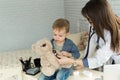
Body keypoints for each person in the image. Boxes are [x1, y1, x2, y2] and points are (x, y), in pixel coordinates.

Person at [57, 0, 120, 70]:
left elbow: (99, 59)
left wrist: (73, 61)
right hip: (108, 61)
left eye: (89, 19)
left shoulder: (112, 33)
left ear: (98, 19)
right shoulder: (93, 25)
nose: (88, 22)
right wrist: (81, 63)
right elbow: (90, 45)